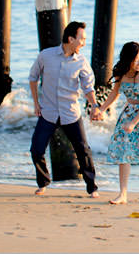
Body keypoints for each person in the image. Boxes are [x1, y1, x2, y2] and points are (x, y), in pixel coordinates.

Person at [28, 20, 100, 197]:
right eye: (81, 39)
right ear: (70, 38)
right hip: (48, 112)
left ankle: (92, 187)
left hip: (71, 113)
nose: (84, 42)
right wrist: (36, 104)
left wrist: (95, 106)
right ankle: (43, 182)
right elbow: (33, 78)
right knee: (36, 149)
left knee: (83, 150)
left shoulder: (81, 61)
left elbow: (88, 88)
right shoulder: (46, 55)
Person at [93, 41, 139, 205]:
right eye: (137, 59)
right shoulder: (120, 73)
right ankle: (123, 193)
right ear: (128, 59)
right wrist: (101, 109)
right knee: (123, 151)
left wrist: (133, 122)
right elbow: (114, 94)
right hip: (128, 111)